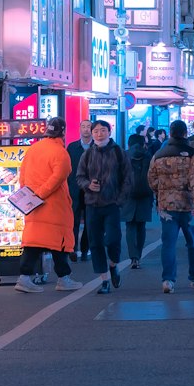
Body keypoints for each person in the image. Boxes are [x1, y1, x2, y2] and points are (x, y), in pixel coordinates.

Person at [14, 117, 81, 294]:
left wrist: (29, 196)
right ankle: (63, 279)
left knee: (34, 242)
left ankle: (24, 278)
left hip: (33, 206)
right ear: (63, 132)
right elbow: (58, 177)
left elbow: (23, 175)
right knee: (59, 243)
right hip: (54, 206)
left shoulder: (33, 149)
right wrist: (41, 194)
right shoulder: (60, 152)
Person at [148, 119, 194, 293]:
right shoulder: (193, 154)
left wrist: (160, 195)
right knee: (193, 243)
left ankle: (168, 280)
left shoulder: (158, 155)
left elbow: (151, 179)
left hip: (166, 206)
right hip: (189, 206)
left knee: (168, 244)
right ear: (185, 133)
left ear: (170, 133)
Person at [76, 118, 130, 294]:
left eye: (103, 130)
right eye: (96, 131)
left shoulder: (118, 152)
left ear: (109, 132)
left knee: (113, 239)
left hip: (112, 204)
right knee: (95, 242)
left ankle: (114, 264)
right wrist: (88, 185)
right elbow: (79, 176)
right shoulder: (88, 154)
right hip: (92, 204)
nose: (99, 134)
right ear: (92, 134)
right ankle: (104, 280)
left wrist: (119, 200)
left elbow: (128, 179)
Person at [121, 130, 156, 268]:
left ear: (129, 144)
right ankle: (139, 256)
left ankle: (133, 256)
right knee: (141, 226)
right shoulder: (149, 157)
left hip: (128, 195)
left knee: (130, 226)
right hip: (145, 195)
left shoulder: (123, 156)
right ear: (143, 144)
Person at [66, 118, 91, 260]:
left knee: (89, 222)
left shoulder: (96, 147)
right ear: (80, 129)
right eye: (84, 126)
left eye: (89, 127)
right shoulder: (72, 147)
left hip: (91, 190)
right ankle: (73, 249)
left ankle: (85, 249)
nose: (86, 129)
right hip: (74, 189)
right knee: (73, 221)